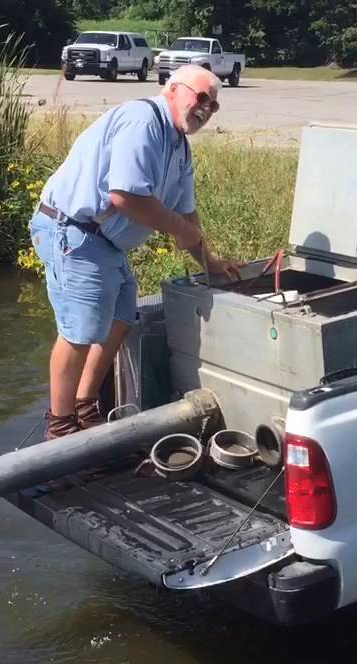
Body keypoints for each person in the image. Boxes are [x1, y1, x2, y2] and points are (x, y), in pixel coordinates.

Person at [28, 65, 240, 440]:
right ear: (173, 89)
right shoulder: (142, 121)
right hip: (73, 231)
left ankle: (85, 406)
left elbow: (188, 213)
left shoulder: (179, 147)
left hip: (106, 243)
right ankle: (60, 432)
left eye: (214, 105)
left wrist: (211, 262)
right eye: (200, 96)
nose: (206, 108)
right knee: (79, 332)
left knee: (123, 317)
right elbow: (124, 196)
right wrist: (179, 227)